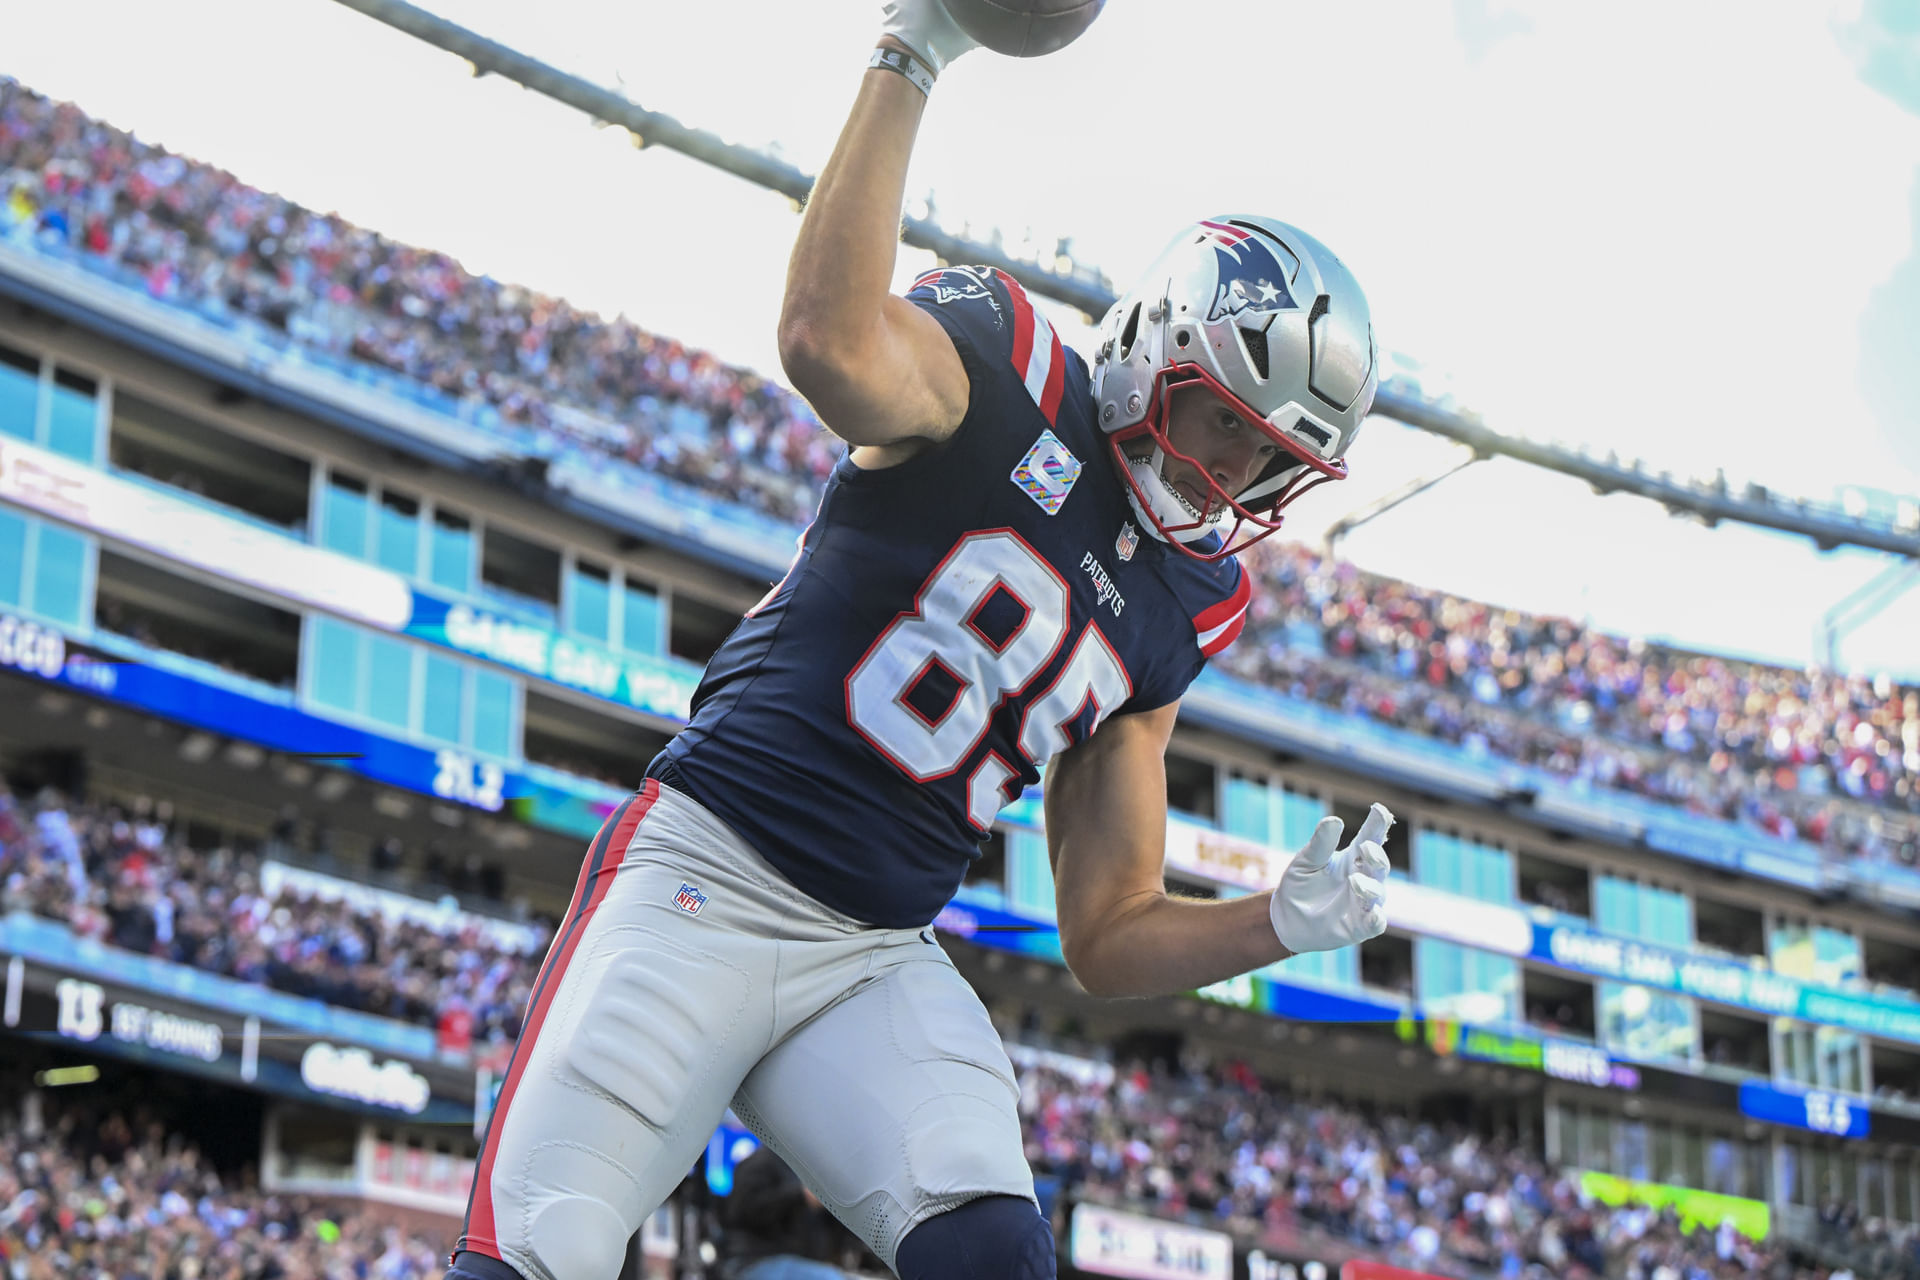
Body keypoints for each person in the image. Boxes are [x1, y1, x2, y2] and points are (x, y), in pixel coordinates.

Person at [445, 4, 1391, 1280]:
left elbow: (1107, 927)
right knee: (530, 1259)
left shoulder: (1193, 600)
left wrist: (1273, 921)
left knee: (998, 1258)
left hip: (870, 954)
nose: (1231, 482)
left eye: (1272, 466)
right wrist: (916, 49)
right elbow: (826, 341)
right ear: (1163, 341)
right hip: (704, 880)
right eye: (1226, 428)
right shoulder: (1002, 367)